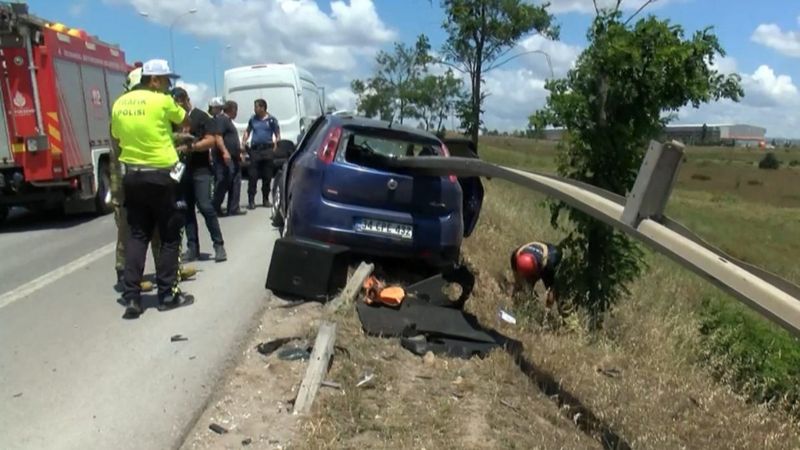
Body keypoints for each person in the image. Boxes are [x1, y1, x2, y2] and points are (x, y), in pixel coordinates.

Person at [110, 59, 194, 319]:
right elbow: (184, 121)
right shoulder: (162, 100)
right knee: (169, 236)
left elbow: (117, 136)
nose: (169, 85)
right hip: (162, 176)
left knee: (137, 235)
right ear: (154, 80)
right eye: (167, 80)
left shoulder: (120, 104)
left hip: (133, 176)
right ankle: (168, 294)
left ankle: (132, 297)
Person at [171, 87, 228, 263]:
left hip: (200, 169)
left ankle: (218, 245)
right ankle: (192, 248)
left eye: (179, 104)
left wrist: (192, 146)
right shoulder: (172, 119)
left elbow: (211, 140)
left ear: (186, 100)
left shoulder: (200, 117)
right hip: (180, 168)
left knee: (205, 206)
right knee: (185, 209)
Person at [242, 99, 280, 210]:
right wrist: (244, 141)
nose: (255, 109)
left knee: (267, 176)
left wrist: (275, 146)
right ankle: (251, 200)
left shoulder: (271, 120)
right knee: (252, 176)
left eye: (256, 107)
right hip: (255, 151)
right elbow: (247, 131)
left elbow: (277, 134)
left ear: (263, 107)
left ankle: (265, 199)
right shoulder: (253, 120)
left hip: (267, 150)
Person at [213, 100, 247, 216]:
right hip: (225, 158)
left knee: (235, 182)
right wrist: (225, 152)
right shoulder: (222, 119)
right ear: (232, 109)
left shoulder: (228, 121)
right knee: (223, 182)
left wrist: (239, 152)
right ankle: (215, 206)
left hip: (234, 157)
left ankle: (233, 208)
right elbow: (218, 136)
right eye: (236, 110)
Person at [510, 241, 562, 307]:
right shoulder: (516, 256)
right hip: (537, 251)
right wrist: (519, 286)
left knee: (554, 294)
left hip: (552, 253)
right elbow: (517, 279)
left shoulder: (548, 265)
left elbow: (551, 292)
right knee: (522, 287)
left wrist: (547, 312)